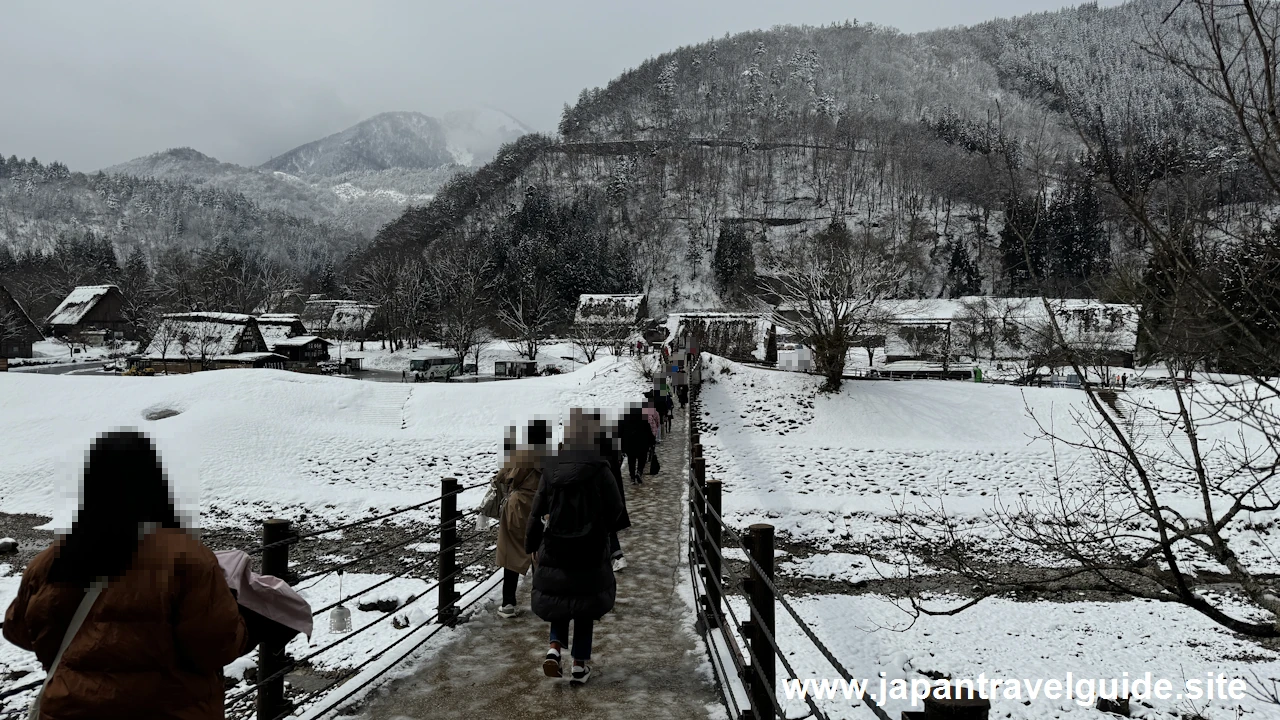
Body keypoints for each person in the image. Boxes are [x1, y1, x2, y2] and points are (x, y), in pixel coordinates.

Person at [3, 430, 252, 719]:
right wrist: (243, 620)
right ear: (154, 483)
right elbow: (215, 646)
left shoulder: (51, 560)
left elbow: (18, 630)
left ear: (90, 485)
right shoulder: (188, 559)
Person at [525, 409, 627, 686]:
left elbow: (536, 510)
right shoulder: (599, 467)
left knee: (560, 597)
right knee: (584, 603)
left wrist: (531, 544)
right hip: (591, 546)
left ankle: (554, 647)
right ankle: (580, 665)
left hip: (555, 544)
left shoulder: (551, 467)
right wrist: (600, 527)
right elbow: (616, 507)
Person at [493, 421, 549, 618]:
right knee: (539, 552)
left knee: (511, 552)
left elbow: (501, 476)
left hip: (517, 508)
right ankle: (541, 601)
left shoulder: (521, 454)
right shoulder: (550, 456)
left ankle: (508, 603)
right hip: (541, 506)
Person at [618, 405, 656, 485]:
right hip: (642, 443)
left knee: (631, 460)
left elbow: (619, 431)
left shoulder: (624, 417)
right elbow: (648, 430)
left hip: (630, 443)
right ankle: (639, 472)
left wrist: (621, 444)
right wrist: (652, 441)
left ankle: (632, 477)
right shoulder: (642, 417)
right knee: (642, 459)